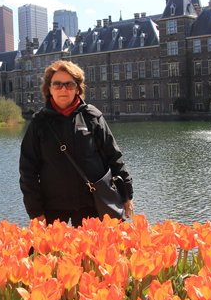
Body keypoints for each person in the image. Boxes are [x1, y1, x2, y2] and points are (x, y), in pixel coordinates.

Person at [20, 60, 134, 226]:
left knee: (98, 251)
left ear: (78, 88)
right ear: (49, 89)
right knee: (47, 252)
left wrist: (127, 195)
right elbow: (27, 170)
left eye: (69, 84)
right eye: (57, 84)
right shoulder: (39, 123)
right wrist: (35, 212)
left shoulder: (92, 117)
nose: (63, 89)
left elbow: (115, 158)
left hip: (92, 204)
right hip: (53, 207)